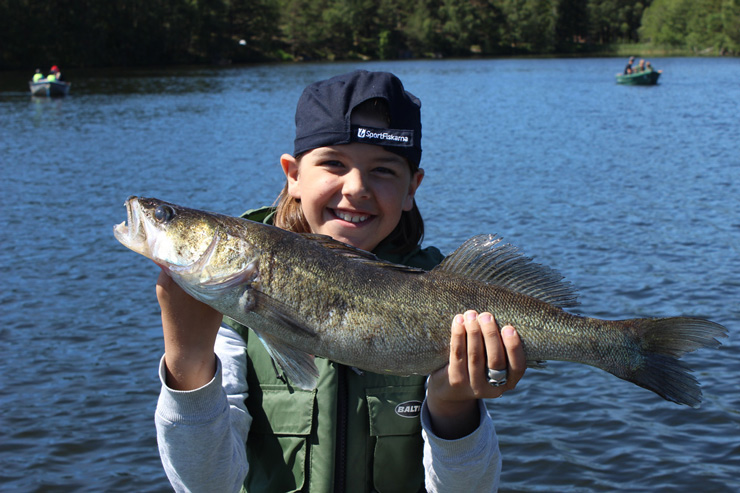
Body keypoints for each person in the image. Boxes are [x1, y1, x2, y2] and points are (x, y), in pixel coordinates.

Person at [154, 70, 526, 492]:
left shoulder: (448, 294)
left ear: (412, 188)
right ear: (292, 174)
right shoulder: (230, 311)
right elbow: (206, 484)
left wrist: (453, 407)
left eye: (383, 170)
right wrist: (186, 360)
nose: (356, 188)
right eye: (333, 163)